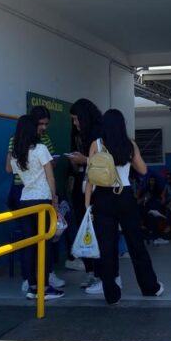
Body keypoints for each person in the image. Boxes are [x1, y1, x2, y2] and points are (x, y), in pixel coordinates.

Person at [85, 109, 164, 305]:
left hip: (102, 197)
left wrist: (87, 205)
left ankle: (111, 294)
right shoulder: (129, 144)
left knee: (107, 247)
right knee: (135, 243)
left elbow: (90, 177)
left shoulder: (96, 145)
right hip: (124, 196)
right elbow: (143, 170)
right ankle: (150, 287)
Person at [6, 106, 64, 289]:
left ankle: (31, 285)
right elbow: (50, 177)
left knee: (29, 242)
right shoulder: (40, 148)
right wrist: (54, 199)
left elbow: (11, 169)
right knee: (44, 242)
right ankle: (44, 285)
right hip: (42, 199)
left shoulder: (17, 153)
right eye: (40, 125)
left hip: (25, 198)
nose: (43, 128)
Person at [66, 98, 102, 284]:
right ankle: (90, 272)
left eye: (76, 119)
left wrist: (85, 160)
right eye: (72, 119)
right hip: (81, 183)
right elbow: (77, 167)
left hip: (97, 185)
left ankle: (100, 273)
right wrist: (74, 162)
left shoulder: (99, 133)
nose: (75, 123)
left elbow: (105, 163)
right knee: (83, 226)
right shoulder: (76, 134)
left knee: (97, 227)